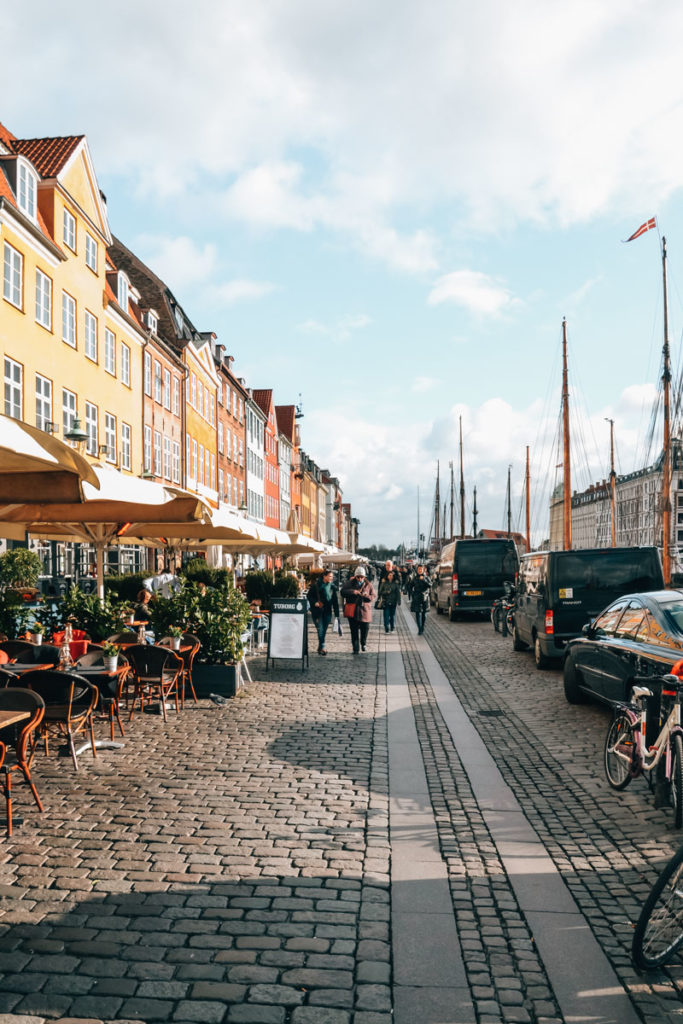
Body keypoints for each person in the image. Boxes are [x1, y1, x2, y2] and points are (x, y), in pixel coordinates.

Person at [341, 565, 375, 654]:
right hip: (353, 611)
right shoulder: (349, 583)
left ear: (364, 577)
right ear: (355, 576)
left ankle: (363, 643)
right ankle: (355, 648)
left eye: (362, 577)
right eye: (358, 577)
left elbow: (373, 596)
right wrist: (353, 592)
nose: (360, 579)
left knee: (365, 629)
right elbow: (342, 592)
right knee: (354, 631)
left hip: (365, 611)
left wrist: (366, 596)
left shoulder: (368, 585)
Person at [307, 569, 339, 655]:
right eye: (330, 576)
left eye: (332, 576)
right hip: (317, 611)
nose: (331, 578)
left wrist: (337, 614)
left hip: (328, 611)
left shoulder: (332, 587)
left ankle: (320, 647)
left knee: (323, 630)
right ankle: (323, 647)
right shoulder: (316, 586)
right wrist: (315, 603)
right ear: (324, 576)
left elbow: (335, 601)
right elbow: (309, 596)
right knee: (320, 629)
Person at [410, 564, 431, 635]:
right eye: (418, 569)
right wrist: (412, 593)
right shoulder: (415, 578)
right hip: (417, 598)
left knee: (424, 614)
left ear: (423, 570)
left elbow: (430, 585)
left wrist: (424, 580)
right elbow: (410, 586)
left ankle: (422, 626)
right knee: (417, 613)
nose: (420, 570)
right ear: (417, 570)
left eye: (421, 569)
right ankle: (419, 629)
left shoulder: (426, 577)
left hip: (424, 598)